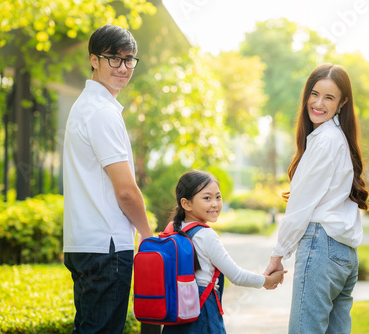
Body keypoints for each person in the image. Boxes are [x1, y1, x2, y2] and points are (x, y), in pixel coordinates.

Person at [264, 64, 369, 334]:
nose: (318, 103)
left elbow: (300, 207)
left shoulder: (324, 141)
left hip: (321, 249)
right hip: (345, 255)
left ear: (342, 102)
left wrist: (278, 255)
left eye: (329, 97)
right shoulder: (340, 139)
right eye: (314, 94)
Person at [62, 24, 153, 334]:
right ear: (94, 59)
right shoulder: (102, 111)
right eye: (114, 58)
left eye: (129, 59)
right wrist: (147, 234)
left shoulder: (85, 106)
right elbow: (126, 190)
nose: (123, 67)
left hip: (85, 244)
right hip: (107, 247)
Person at [162, 170, 287, 334]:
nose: (215, 203)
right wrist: (267, 280)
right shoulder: (206, 235)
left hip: (175, 313)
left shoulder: (171, 230)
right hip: (201, 314)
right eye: (207, 198)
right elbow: (236, 276)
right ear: (186, 204)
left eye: (218, 197)